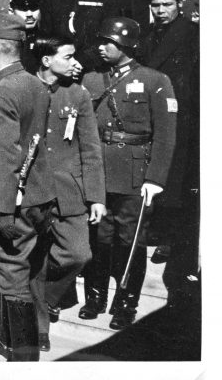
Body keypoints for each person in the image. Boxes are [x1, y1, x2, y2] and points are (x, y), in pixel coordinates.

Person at [80, 17, 177, 330]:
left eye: (109, 42)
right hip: (99, 169)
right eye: (101, 41)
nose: (101, 47)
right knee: (99, 236)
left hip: (136, 172)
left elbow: (165, 134)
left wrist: (156, 178)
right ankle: (95, 296)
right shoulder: (92, 80)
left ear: (127, 46)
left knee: (130, 239)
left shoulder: (155, 80)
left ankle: (125, 302)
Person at [0, 12, 51, 361]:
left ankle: (23, 355)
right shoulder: (36, 83)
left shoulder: (4, 89)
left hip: (10, 197)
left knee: (11, 273)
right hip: (38, 193)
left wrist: (3, 210)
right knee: (21, 267)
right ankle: (12, 343)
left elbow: (6, 156)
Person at [29, 35, 106, 352]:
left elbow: (90, 148)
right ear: (47, 61)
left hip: (68, 191)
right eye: (69, 56)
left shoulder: (78, 94)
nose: (77, 63)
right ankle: (38, 327)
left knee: (78, 254)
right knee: (31, 259)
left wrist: (97, 196)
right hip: (31, 192)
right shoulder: (22, 88)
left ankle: (43, 299)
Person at [136, 0, 199, 304]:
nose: (161, 11)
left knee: (176, 179)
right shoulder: (148, 35)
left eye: (167, 4)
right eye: (156, 5)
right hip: (153, 112)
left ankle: (169, 237)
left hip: (183, 115)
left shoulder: (192, 33)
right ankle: (156, 231)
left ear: (180, 3)